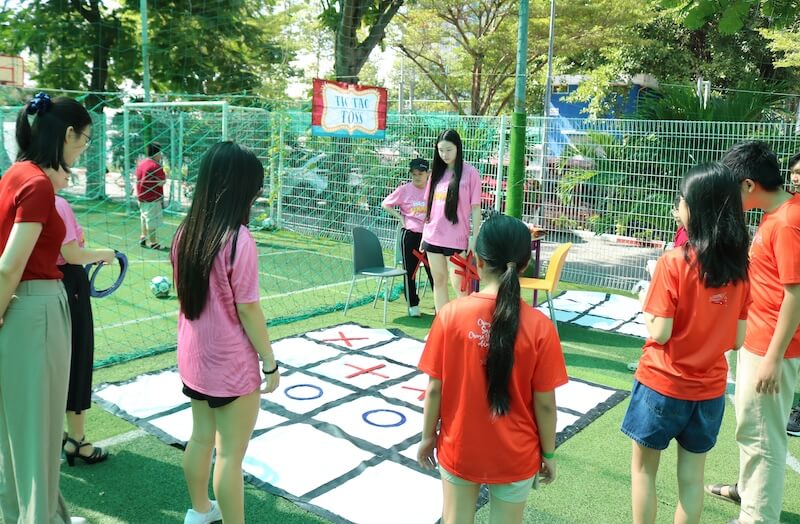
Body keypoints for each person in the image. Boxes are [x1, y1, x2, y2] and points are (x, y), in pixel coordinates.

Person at [417, 214, 568, 524]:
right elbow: (545, 404)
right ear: (525, 265)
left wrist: (427, 436)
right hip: (516, 454)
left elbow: (434, 388)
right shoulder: (541, 327)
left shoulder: (450, 316)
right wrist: (549, 454)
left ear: (478, 260)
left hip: (460, 447)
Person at [622, 163, 751, 524]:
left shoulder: (673, 262)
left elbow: (659, 331)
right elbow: (738, 339)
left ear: (694, 208)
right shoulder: (741, 269)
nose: (676, 207)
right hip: (709, 391)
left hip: (662, 384)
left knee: (644, 472)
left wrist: (644, 303)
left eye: (680, 201)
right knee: (692, 481)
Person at [172, 141, 280, 524]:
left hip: (194, 358)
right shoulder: (238, 240)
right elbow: (249, 310)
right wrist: (270, 363)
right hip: (230, 365)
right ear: (239, 188)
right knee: (230, 455)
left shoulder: (185, 232)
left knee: (201, 437)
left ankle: (199, 510)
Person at [0, 92, 92, 523]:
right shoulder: (36, 183)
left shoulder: (17, 173)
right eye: (83, 141)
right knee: (38, 435)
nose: (83, 149)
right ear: (67, 133)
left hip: (20, 314)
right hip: (33, 312)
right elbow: (9, 267)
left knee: (15, 435)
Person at [705, 141, 800, 524]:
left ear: (747, 185)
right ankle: (750, 493)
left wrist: (773, 359)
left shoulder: (787, 222)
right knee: (752, 429)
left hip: (771, 349)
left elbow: (796, 293)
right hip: (758, 342)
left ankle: (758, 517)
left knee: (763, 438)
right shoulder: (775, 214)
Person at [54, 195, 116, 466]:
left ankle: (56, 435)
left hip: (32, 287)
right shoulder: (56, 202)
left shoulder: (11, 193)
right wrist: (107, 254)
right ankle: (77, 440)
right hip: (67, 283)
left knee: (49, 366)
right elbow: (72, 254)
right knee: (77, 361)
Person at [421, 129, 482, 313]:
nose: (444, 154)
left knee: (460, 287)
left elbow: (476, 208)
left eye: (448, 149)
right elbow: (429, 207)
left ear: (458, 148)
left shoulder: (471, 173)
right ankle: (442, 327)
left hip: (456, 240)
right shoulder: (436, 174)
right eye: (440, 150)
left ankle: (463, 329)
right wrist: (424, 235)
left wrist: (474, 237)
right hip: (432, 238)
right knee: (438, 282)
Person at [382, 157, 435, 317]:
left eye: (420, 173)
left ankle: (441, 305)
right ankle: (413, 305)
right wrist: (400, 218)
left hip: (430, 236)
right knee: (410, 271)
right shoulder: (404, 189)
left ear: (428, 173)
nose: (417, 177)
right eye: (414, 174)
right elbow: (386, 204)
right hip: (411, 236)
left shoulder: (434, 190)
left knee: (433, 270)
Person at [136, 142, 166, 250]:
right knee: (151, 219)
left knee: (144, 217)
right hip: (152, 198)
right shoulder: (155, 166)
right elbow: (161, 182)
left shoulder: (141, 164)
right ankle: (153, 242)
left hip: (141, 197)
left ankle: (143, 237)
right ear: (157, 153)